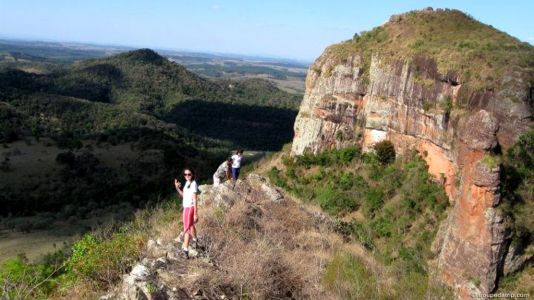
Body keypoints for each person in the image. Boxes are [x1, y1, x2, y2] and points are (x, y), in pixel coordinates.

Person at [174, 168, 199, 259]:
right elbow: (184, 196)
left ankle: (185, 249)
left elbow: (195, 199)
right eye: (185, 174)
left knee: (187, 228)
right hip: (186, 207)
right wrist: (177, 188)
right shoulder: (187, 183)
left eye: (189, 174)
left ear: (192, 174)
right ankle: (195, 240)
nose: (187, 176)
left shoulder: (193, 184)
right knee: (190, 225)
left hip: (190, 208)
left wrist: (195, 214)